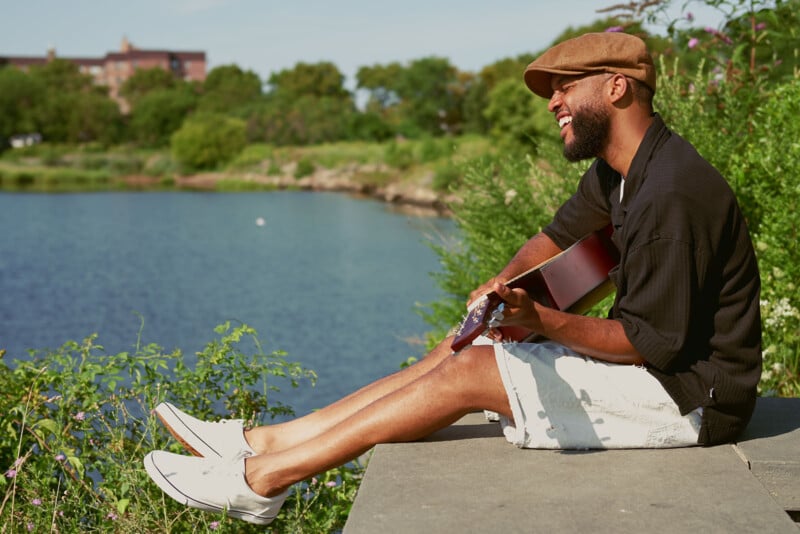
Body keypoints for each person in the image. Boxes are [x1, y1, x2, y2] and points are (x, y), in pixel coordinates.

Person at [143, 32, 762, 526]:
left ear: (618, 87)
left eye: (565, 88)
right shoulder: (623, 169)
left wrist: (541, 320)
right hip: (664, 370)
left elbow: (650, 344)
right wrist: (499, 291)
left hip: (694, 401)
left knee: (472, 372)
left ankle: (261, 484)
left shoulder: (670, 195)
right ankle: (268, 442)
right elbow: (558, 240)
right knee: (471, 342)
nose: (552, 103)